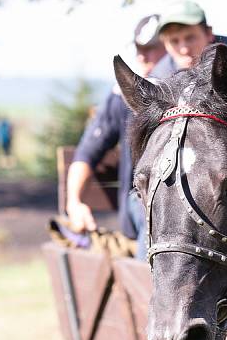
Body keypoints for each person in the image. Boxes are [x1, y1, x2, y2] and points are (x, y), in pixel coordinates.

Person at [66, 14, 166, 258]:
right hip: (143, 202)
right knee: (150, 207)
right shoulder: (121, 96)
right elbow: (87, 152)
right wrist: (74, 202)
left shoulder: (193, 92)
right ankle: (150, 286)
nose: (143, 56)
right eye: (139, 49)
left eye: (152, 49)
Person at [150, 0, 227, 80]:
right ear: (164, 44)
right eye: (174, 41)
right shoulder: (158, 77)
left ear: (209, 33)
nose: (184, 49)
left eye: (190, 38)